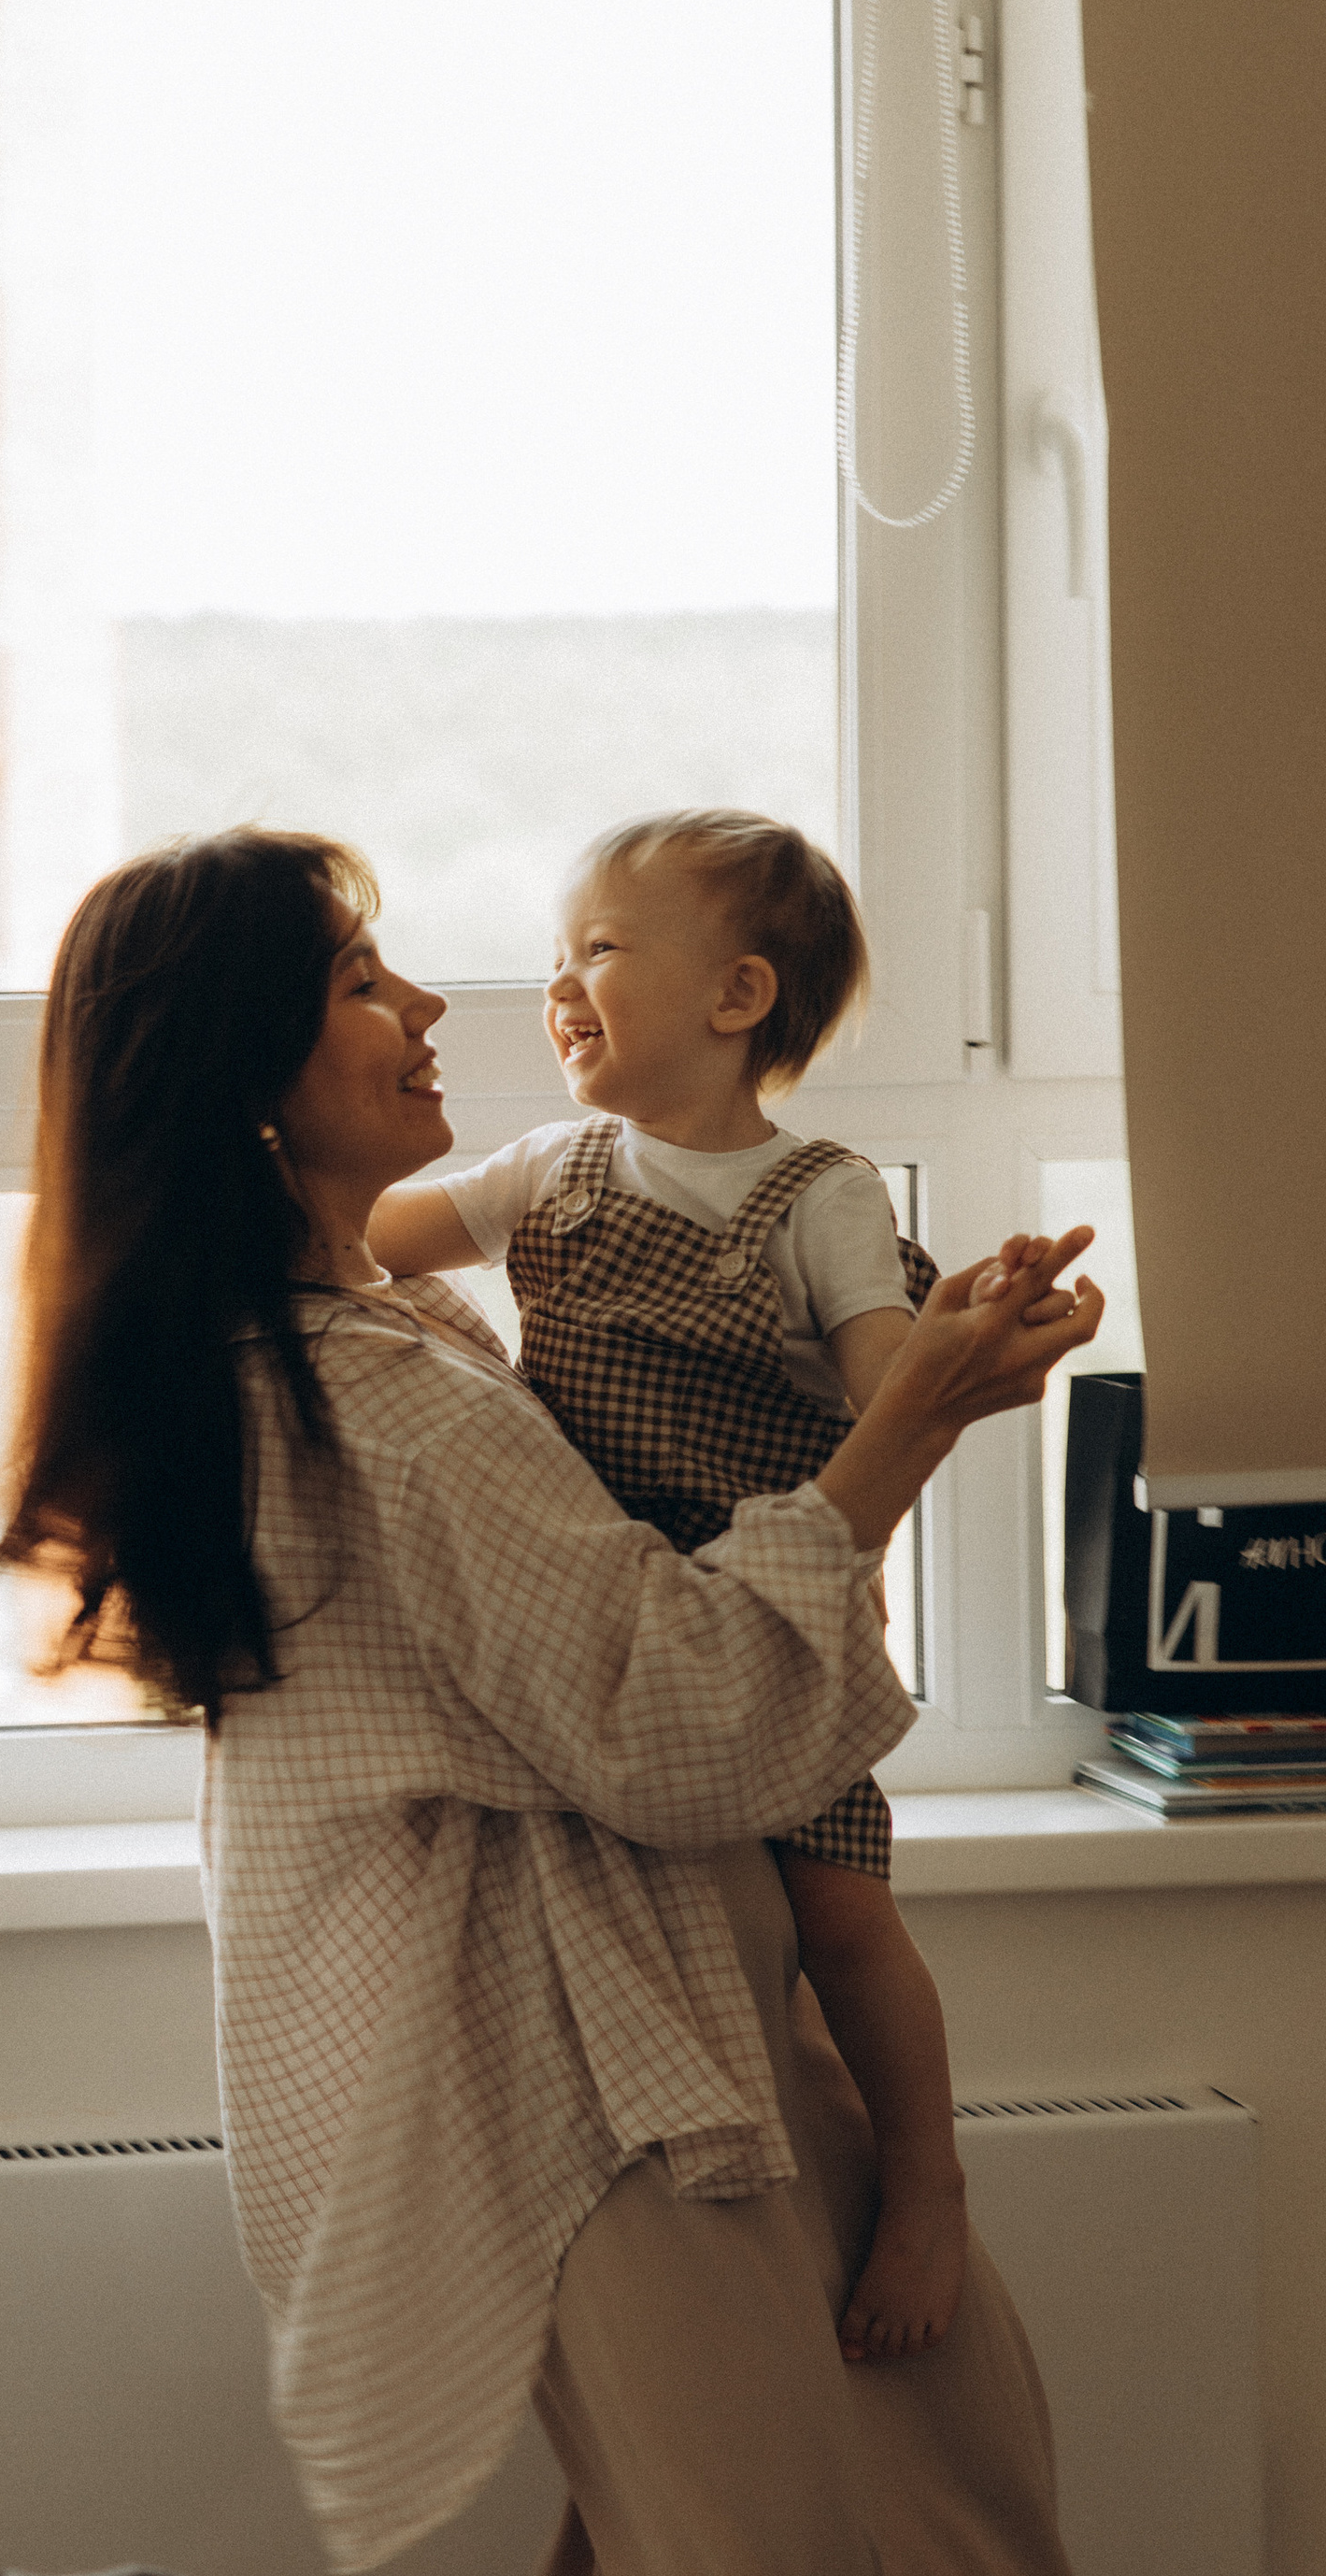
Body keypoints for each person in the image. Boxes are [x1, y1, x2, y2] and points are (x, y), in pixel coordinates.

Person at [0, 825, 1104, 2576]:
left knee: (941, 2482)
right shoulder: (356, 1388)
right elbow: (673, 1718)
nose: (432, 1002)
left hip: (690, 2008)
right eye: (362, 983)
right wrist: (912, 1424)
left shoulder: (387, 1316)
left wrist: (887, 1349)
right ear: (240, 1079)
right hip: (587, 2077)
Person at [368, 808, 961, 2365]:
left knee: (840, 1916)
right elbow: (355, 1240)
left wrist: (963, 1349)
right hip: (608, 1639)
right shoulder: (542, 1170)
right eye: (555, 959)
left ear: (738, 997)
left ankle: (925, 2185)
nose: (559, 987)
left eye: (602, 953)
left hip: (769, 1624)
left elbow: (892, 1392)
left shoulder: (819, 1195)